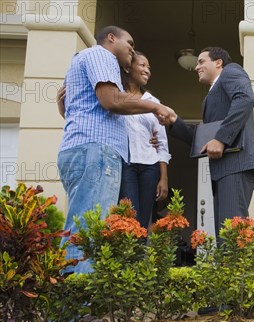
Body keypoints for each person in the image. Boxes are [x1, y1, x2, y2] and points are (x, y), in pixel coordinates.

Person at [57, 25, 176, 274]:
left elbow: (74, 110)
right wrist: (155, 107)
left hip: (84, 150)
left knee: (83, 224)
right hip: (96, 152)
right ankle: (79, 306)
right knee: (89, 229)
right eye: (129, 44)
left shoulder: (81, 60)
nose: (132, 50)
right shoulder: (102, 55)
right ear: (111, 38)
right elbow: (111, 101)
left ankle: (73, 298)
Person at [166, 47, 254, 240]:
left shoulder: (231, 71)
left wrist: (221, 139)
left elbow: (245, 99)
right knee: (225, 235)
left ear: (218, 62)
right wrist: (174, 121)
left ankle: (237, 272)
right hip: (223, 169)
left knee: (232, 236)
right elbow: (203, 142)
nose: (197, 67)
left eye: (201, 61)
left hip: (236, 164)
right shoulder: (209, 98)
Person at [118, 51, 171, 229]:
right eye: (142, 65)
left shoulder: (154, 102)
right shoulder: (116, 97)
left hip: (150, 167)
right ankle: (129, 257)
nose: (147, 70)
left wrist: (163, 178)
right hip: (126, 165)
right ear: (128, 68)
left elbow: (162, 143)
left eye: (149, 67)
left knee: (143, 222)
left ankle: (139, 257)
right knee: (129, 219)